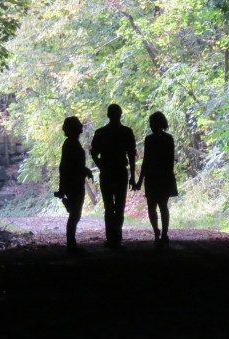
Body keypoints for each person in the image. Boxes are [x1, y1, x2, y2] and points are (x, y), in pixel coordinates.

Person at [90, 104, 137, 248]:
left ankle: (111, 238)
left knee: (109, 207)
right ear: (120, 114)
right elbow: (131, 155)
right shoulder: (127, 132)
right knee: (119, 206)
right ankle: (117, 238)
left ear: (108, 115)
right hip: (120, 172)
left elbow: (93, 152)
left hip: (107, 173)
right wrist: (133, 177)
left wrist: (101, 166)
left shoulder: (101, 133)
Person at [134, 111, 178, 246]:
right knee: (163, 206)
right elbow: (170, 160)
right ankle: (164, 234)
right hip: (164, 176)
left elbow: (146, 161)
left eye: (152, 123)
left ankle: (157, 233)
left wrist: (140, 180)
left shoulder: (150, 139)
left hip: (152, 176)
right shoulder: (168, 138)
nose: (151, 125)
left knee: (152, 206)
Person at [56, 116, 93, 252]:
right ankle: (71, 245)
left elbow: (70, 165)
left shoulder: (71, 143)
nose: (81, 127)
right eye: (78, 125)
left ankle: (71, 244)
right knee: (75, 214)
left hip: (73, 182)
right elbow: (69, 166)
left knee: (75, 214)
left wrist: (85, 170)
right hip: (73, 183)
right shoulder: (71, 144)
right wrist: (84, 170)